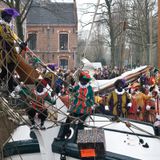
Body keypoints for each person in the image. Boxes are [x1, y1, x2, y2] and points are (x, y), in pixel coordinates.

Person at [55, 71, 94, 140]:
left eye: (85, 81)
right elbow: (71, 94)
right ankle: (62, 136)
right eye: (82, 80)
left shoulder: (90, 89)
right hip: (75, 109)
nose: (83, 82)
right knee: (67, 120)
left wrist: (87, 102)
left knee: (80, 123)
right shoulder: (77, 86)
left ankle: (78, 139)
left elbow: (92, 101)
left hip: (84, 110)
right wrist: (70, 91)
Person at [0, 8, 26, 93]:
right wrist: (19, 43)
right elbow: (7, 37)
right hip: (5, 50)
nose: (10, 18)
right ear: (4, 17)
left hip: (10, 50)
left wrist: (21, 42)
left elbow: (14, 36)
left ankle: (10, 87)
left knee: (10, 68)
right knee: (8, 68)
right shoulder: (2, 26)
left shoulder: (8, 26)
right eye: (9, 16)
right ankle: (10, 87)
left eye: (11, 17)